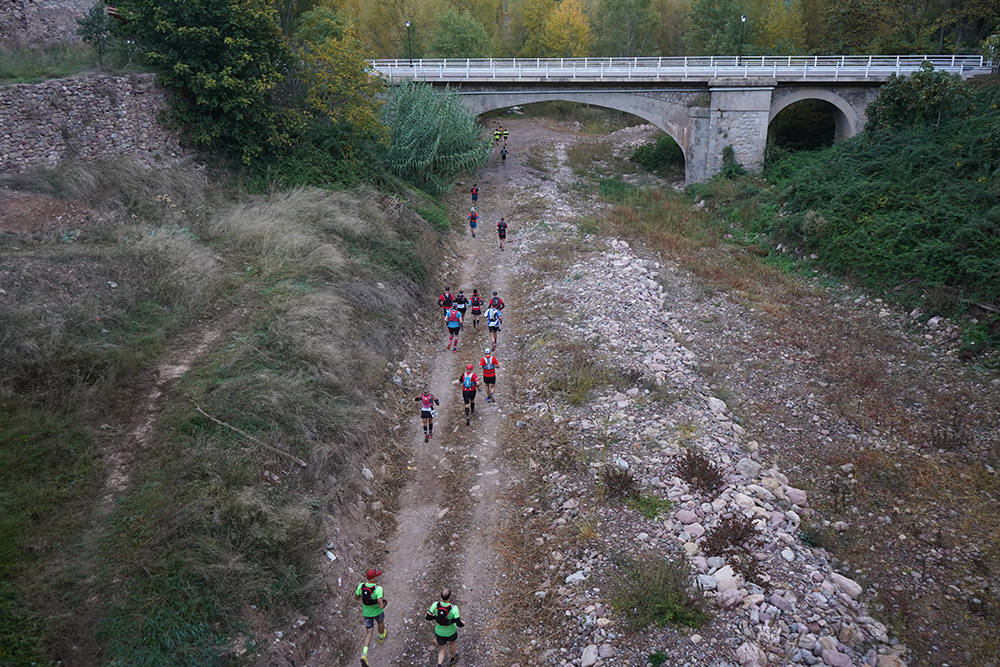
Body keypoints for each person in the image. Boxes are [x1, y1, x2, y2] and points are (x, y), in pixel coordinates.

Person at [356, 568, 387, 666]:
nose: (378, 577)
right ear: (373, 578)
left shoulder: (361, 586)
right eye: (376, 576)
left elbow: (356, 598)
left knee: (369, 632)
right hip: (377, 612)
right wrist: (385, 603)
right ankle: (381, 637)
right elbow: (381, 605)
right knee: (381, 623)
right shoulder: (378, 589)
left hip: (366, 614)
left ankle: (364, 655)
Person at [426, 588, 464, 666]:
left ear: (441, 596)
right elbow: (459, 624)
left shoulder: (435, 605)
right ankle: (452, 659)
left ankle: (439, 664)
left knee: (442, 649)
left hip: (439, 632)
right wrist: (463, 623)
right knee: (452, 643)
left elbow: (428, 618)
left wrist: (436, 617)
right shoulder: (454, 608)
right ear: (450, 597)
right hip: (451, 632)